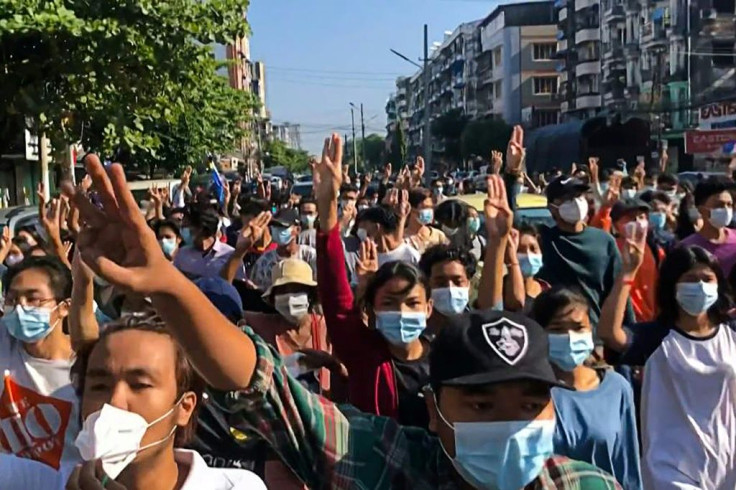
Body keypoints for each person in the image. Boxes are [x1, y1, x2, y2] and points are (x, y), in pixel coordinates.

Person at [65, 140, 622, 490]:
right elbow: (263, 387)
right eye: (481, 404)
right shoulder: (384, 465)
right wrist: (166, 282)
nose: (510, 426)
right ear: (432, 411)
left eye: (530, 405)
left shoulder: (587, 485)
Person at [67, 315, 266, 489]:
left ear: (185, 407)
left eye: (139, 385)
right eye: (99, 386)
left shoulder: (236, 486)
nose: (114, 403)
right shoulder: (51, 481)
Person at [599, 239, 736, 490]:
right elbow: (609, 333)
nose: (700, 286)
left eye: (707, 278)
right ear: (673, 286)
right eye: (690, 279)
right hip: (670, 468)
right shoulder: (655, 338)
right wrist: (627, 274)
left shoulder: (731, 335)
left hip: (726, 465)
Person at [530, 287, 642, 490]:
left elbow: (627, 465)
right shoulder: (530, 392)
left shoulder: (617, 388)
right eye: (557, 329)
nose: (570, 337)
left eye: (578, 327)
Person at [0, 256, 80, 472]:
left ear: (64, 307)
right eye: (13, 299)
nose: (20, 308)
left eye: (33, 299)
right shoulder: (5, 341)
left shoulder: (86, 370)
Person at [536, 175, 633, 330]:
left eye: (579, 196)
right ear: (552, 207)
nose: (576, 202)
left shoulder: (604, 241)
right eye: (567, 198)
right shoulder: (544, 240)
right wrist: (512, 174)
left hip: (594, 338)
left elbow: (618, 290)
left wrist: (629, 333)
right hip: (553, 335)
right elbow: (510, 222)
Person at [249, 208, 317, 291]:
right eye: (275, 226)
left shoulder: (310, 256)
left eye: (283, 227)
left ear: (297, 230)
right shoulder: (265, 261)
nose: (278, 230)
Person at [679, 177, 736, 275]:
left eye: (729, 205)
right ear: (701, 209)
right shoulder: (686, 248)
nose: (726, 210)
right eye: (719, 205)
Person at [418, 243, 476, 339]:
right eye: (440, 283)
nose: (450, 288)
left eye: (457, 282)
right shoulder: (415, 332)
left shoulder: (477, 329)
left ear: (469, 285)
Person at [173, 206, 244, 280]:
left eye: (186, 226)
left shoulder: (230, 256)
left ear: (201, 228)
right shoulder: (182, 254)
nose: (183, 230)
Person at [355, 204, 420, 266]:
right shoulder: (366, 257)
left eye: (364, 226)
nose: (360, 231)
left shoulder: (411, 255)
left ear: (377, 227)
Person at [404, 188, 448, 253]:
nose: (429, 211)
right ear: (411, 209)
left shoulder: (439, 235)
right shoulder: (401, 238)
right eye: (425, 207)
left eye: (431, 207)